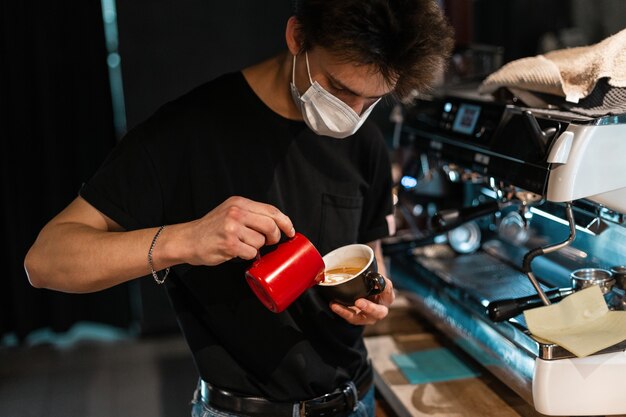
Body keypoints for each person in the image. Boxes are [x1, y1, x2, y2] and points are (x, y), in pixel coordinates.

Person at [24, 0, 454, 416]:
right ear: (297, 36)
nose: (353, 114)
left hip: (355, 397)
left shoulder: (365, 144)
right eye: (340, 89)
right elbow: (45, 261)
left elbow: (372, 257)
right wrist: (184, 239)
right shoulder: (187, 131)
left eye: (372, 101)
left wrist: (374, 298)